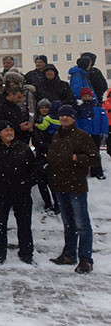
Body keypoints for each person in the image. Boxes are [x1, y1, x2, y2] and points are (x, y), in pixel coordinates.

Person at [47, 104, 101, 274]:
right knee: (68, 223)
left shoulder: (82, 136)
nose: (64, 119)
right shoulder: (56, 136)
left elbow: (95, 159)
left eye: (67, 116)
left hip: (76, 185)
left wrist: (78, 158)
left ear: (73, 118)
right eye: (61, 116)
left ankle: (86, 259)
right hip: (60, 185)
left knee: (82, 224)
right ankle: (69, 254)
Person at [0, 121, 37, 265]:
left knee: (24, 224)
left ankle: (26, 253)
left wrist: (27, 183)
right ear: (0, 133)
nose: (9, 133)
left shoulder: (23, 148)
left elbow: (34, 170)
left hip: (21, 193)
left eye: (11, 130)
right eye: (6, 130)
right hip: (0, 192)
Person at [32, 99, 61, 215]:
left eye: (46, 107)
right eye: (42, 108)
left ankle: (57, 204)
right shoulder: (37, 122)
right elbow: (36, 140)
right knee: (41, 182)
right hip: (41, 154)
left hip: (52, 154)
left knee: (52, 181)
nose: (44, 110)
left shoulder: (55, 121)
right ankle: (47, 203)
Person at [74, 87, 107, 180]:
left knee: (95, 153)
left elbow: (103, 120)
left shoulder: (97, 107)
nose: (87, 97)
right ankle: (83, 171)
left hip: (95, 133)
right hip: (84, 134)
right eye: (84, 95)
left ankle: (97, 171)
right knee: (83, 153)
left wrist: (104, 131)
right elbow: (77, 121)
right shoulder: (79, 108)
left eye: (88, 95)